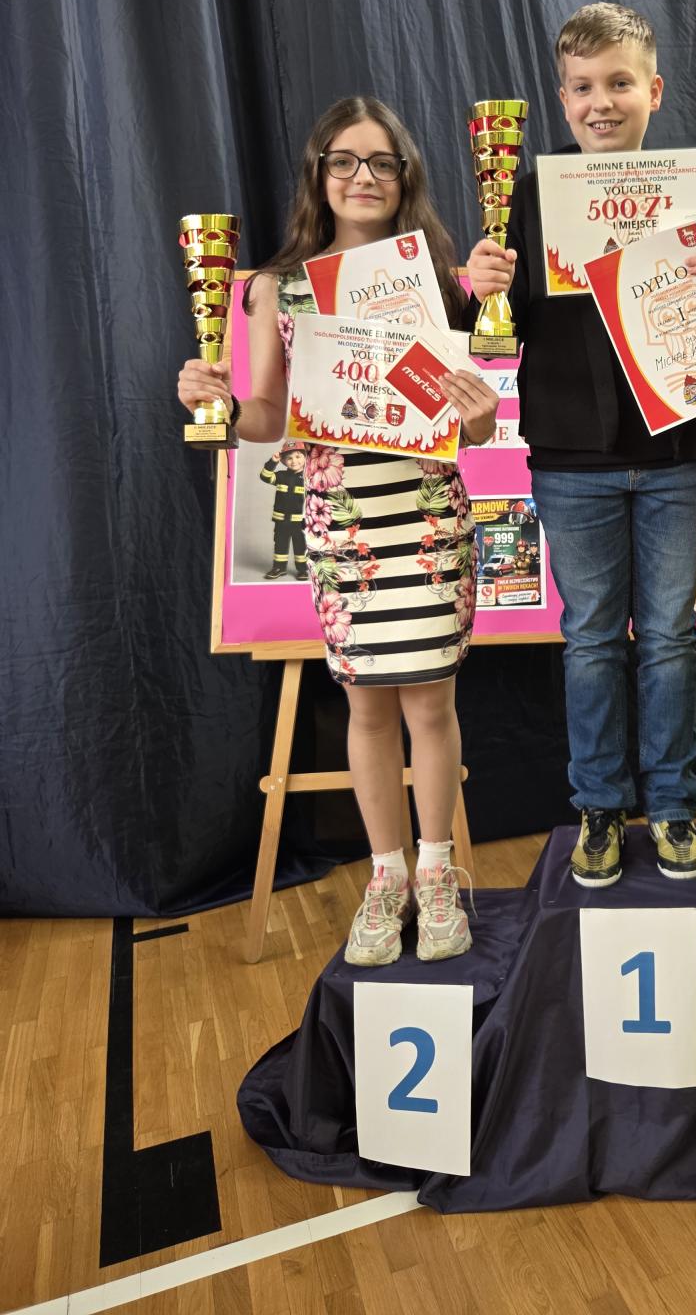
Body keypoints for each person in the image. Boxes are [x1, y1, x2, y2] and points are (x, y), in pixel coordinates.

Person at [178, 96, 500, 965]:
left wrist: (479, 411)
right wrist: (218, 404)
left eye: (382, 161)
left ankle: (438, 875)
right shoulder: (275, 287)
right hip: (344, 523)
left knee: (430, 705)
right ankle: (386, 877)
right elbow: (268, 415)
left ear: (405, 176)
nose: (364, 176)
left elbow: (470, 427)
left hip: (426, 516)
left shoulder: (438, 277)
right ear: (319, 174)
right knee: (365, 708)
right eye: (345, 160)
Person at [466, 3, 696, 887]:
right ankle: (599, 806)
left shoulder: (691, 191)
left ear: (654, 91)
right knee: (593, 639)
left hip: (681, 452)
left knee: (670, 636)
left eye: (619, 84)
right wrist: (486, 289)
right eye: (583, 87)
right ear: (563, 99)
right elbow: (500, 329)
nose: (601, 102)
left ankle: (673, 806)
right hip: (571, 460)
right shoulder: (525, 198)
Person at [259, 445, 308, 578]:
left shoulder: (309, 477)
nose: (294, 461)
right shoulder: (280, 476)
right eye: (289, 458)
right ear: (284, 461)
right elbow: (264, 476)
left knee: (301, 545)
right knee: (280, 544)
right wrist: (272, 462)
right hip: (281, 520)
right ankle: (279, 568)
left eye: (298, 457)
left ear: (305, 457)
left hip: (301, 522)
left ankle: (303, 570)